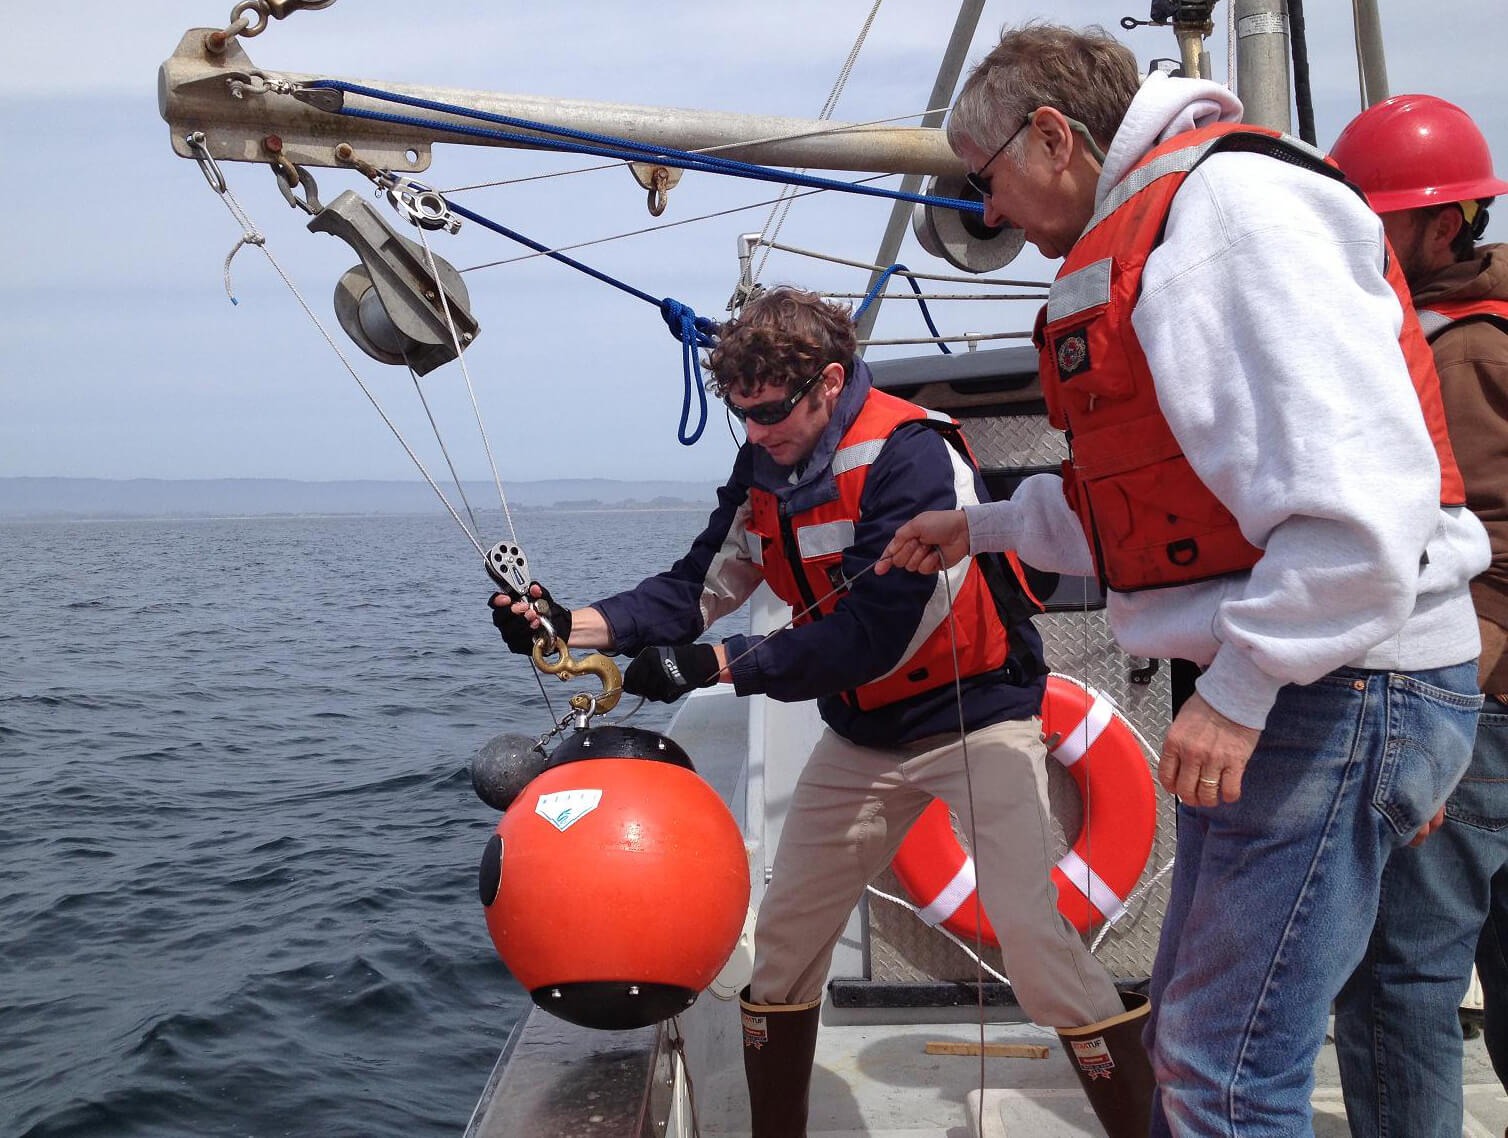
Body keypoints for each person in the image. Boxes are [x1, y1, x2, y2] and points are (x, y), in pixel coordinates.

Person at [877, 23, 1490, 1137]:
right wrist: (976, 526)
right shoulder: (1172, 225)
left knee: (1221, 1069)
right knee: (1197, 1049)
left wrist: (1241, 688)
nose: (993, 212)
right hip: (1327, 679)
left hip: (1330, 683)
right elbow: (1151, 511)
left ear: (1052, 135)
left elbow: (1358, 514)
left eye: (988, 179)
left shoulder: (1228, 219)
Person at [489, 286, 1153, 1138]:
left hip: (976, 717)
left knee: (1036, 948)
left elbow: (879, 631)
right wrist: (572, 624)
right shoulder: (763, 461)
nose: (758, 433)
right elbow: (699, 586)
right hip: (866, 737)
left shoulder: (912, 453)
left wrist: (720, 665)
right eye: (743, 416)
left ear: (829, 382)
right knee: (786, 948)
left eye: (771, 413)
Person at [1327, 93, 1508, 1138]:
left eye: (1379, 219)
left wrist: (1443, 698)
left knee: (1399, 976)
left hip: (1472, 711)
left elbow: (1479, 540)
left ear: (1445, 226)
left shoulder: (1453, 355)